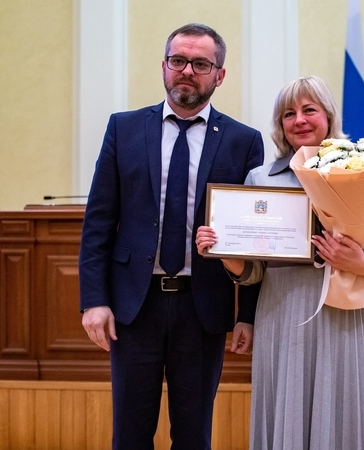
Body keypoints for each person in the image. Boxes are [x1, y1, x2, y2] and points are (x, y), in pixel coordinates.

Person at [79, 23, 264, 450]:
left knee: (193, 435)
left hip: (203, 308)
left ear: (219, 75)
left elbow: (253, 239)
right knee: (129, 435)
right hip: (134, 307)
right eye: (178, 61)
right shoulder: (123, 129)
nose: (187, 71)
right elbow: (98, 223)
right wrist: (94, 300)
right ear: (163, 66)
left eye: (200, 64)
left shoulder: (243, 141)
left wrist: (248, 315)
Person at [197, 76, 364, 449]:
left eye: (309, 110)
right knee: (287, 412)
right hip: (282, 313)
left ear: (328, 116)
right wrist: (223, 251)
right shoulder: (260, 178)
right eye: (288, 114)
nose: (299, 120)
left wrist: (358, 263)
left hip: (345, 316)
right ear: (280, 125)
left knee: (345, 411)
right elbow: (253, 272)